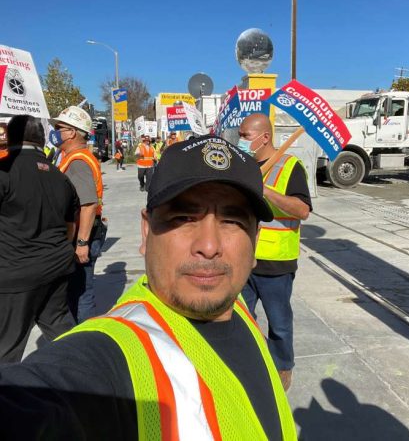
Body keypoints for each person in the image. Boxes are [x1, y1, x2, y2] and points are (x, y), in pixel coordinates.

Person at [0, 135, 297, 440]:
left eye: (232, 221)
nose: (209, 246)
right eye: (183, 218)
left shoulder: (238, 307)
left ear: (255, 240)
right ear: (146, 230)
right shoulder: (115, 353)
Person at [238, 113, 312, 391]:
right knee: (241, 318)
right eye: (241, 135)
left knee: (279, 323)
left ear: (264, 137)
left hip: (276, 263)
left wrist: (264, 190)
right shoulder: (243, 164)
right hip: (243, 258)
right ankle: (253, 361)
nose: (241, 140)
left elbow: (302, 210)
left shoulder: (289, 166)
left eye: (246, 136)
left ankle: (282, 367)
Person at [0, 115, 79, 363]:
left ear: (9, 137)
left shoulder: (5, 172)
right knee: (61, 329)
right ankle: (82, 374)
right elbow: (71, 223)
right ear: (43, 138)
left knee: (6, 347)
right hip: (56, 266)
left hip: (16, 272)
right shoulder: (60, 176)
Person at [49, 106, 106, 324]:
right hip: (84, 233)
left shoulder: (78, 162)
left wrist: (81, 242)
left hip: (83, 236)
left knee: (81, 293)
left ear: (72, 132)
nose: (55, 132)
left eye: (59, 127)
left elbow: (88, 204)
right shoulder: (72, 157)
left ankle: (84, 339)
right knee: (77, 291)